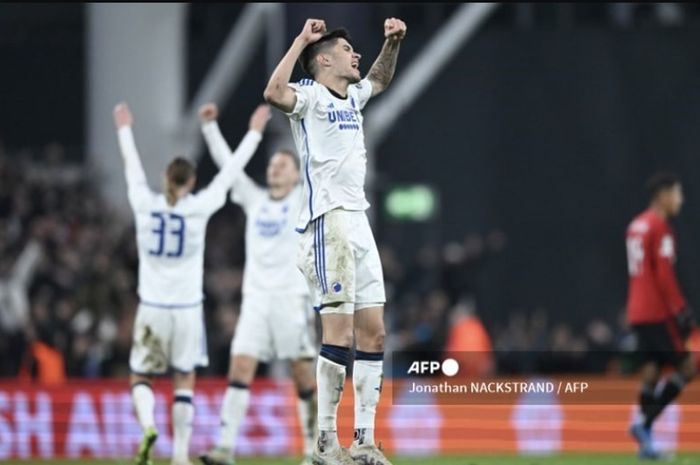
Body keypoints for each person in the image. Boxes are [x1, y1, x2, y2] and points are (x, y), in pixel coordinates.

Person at [264, 17, 407, 465]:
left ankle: (363, 439)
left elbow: (380, 78)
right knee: (339, 334)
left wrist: (393, 42)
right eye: (347, 50)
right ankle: (326, 442)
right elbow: (272, 93)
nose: (356, 56)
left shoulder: (354, 96)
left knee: (375, 333)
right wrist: (301, 41)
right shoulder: (308, 97)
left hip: (359, 221)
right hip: (328, 223)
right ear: (324, 60)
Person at [113, 102, 268, 465]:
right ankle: (180, 455)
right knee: (184, 379)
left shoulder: (144, 202)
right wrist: (254, 133)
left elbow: (131, 168)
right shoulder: (199, 206)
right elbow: (230, 173)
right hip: (186, 310)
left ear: (167, 178)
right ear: (191, 181)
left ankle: (149, 426)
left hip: (151, 307)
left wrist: (124, 129)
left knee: (141, 375)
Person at [196, 103, 317, 465]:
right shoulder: (255, 199)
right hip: (255, 301)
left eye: (283, 165)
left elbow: (319, 162)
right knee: (240, 369)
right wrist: (209, 129)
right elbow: (229, 168)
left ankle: (313, 450)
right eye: (272, 165)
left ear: (296, 175)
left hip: (290, 299)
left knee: (302, 374)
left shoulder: (302, 201)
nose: (274, 169)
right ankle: (225, 448)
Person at [626, 172, 696, 459]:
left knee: (652, 370)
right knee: (689, 366)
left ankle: (646, 444)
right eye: (677, 194)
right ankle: (644, 424)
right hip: (657, 311)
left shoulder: (636, 224)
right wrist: (681, 310)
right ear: (663, 196)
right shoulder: (660, 227)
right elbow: (664, 276)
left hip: (636, 310)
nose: (681, 200)